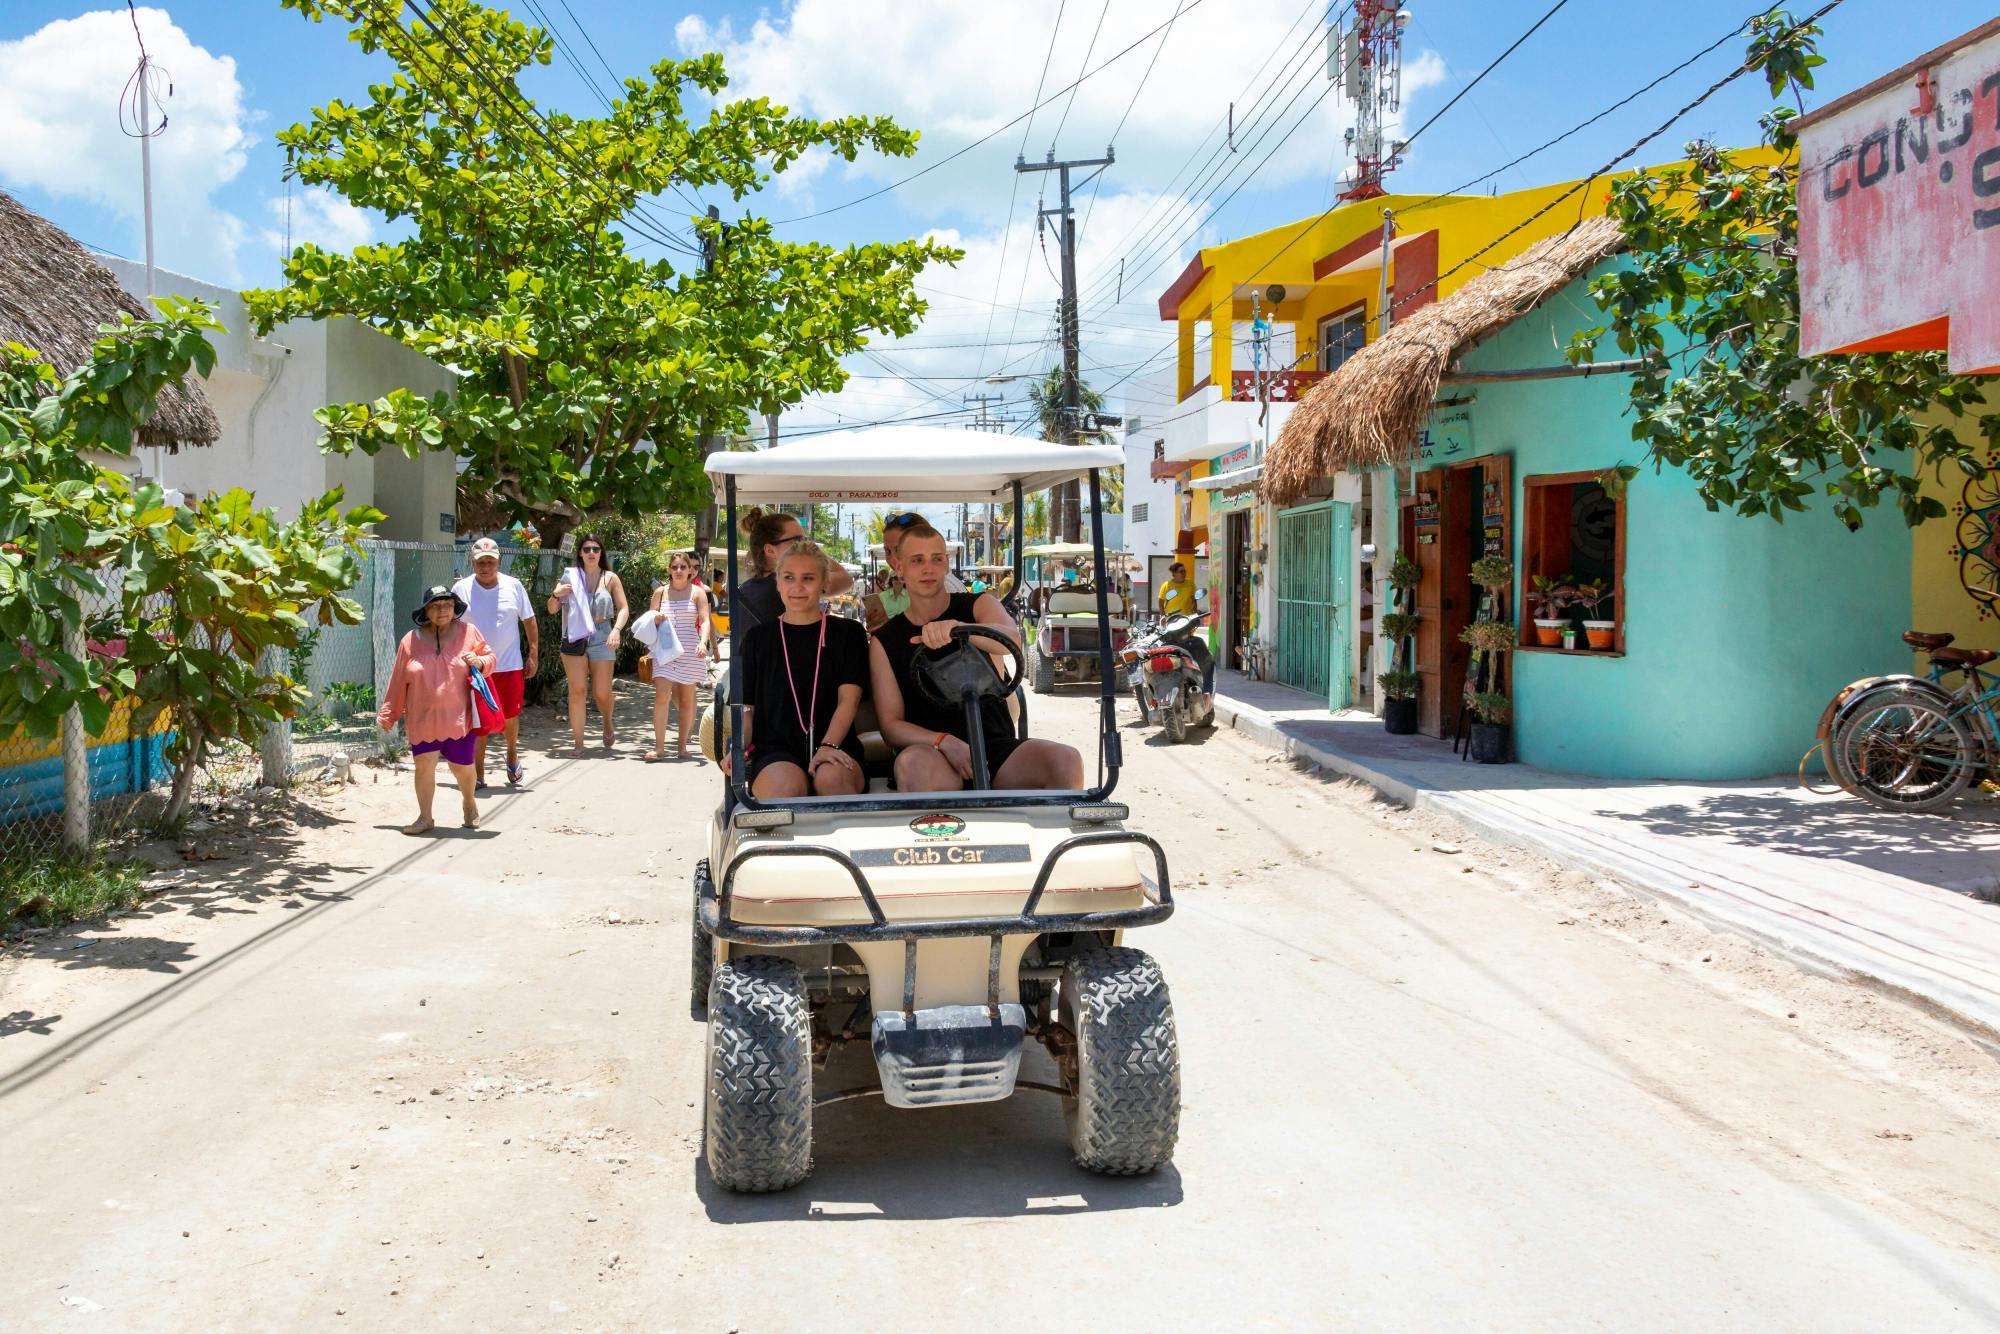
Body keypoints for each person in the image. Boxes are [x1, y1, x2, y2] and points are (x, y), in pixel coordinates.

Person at [868, 522, 1083, 792]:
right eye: (917, 560)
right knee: (912, 764)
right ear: (899, 568)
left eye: (936, 559)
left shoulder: (979, 605)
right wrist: (944, 741)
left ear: (946, 564)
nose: (928, 568)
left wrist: (960, 630)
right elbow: (890, 726)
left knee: (1066, 760)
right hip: (934, 753)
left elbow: (1011, 641)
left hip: (994, 747)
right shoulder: (885, 640)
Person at [733, 541, 868, 798]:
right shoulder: (758, 638)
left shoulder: (848, 634)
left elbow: (848, 700)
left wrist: (828, 745)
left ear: (824, 584)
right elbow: (747, 709)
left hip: (837, 744)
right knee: (783, 788)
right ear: (778, 583)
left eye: (808, 578)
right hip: (774, 749)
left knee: (832, 780)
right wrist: (738, 748)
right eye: (788, 578)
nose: (797, 587)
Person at [378, 585, 496, 835]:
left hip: (459, 718)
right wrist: (389, 714)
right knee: (424, 766)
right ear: (426, 611)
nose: (442, 610)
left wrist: (480, 661)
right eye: (436, 605)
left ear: (455, 609)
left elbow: (490, 659)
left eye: (447, 605)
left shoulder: (469, 633)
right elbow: (398, 680)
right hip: (422, 718)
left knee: (462, 768)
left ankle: (468, 802)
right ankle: (425, 817)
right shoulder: (410, 641)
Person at [452, 537, 537, 788]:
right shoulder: (461, 589)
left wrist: (533, 654)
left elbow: (529, 620)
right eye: (480, 562)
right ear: (473, 562)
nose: (485, 567)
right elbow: (450, 625)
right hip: (475, 667)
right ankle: (478, 775)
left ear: (498, 562)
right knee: (479, 721)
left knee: (510, 715)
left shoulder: (514, 586)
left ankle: (511, 754)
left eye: (490, 562)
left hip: (509, 665)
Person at [548, 533, 628, 754]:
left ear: (601, 553)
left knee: (602, 693)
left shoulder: (610, 578)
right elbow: (552, 609)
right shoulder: (569, 578)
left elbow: (623, 608)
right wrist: (556, 595)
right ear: (580, 554)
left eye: (595, 549)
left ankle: (607, 722)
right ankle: (578, 743)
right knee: (578, 691)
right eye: (586, 549)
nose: (591, 553)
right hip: (575, 636)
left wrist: (616, 630)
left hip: (603, 635)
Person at [732, 509, 855, 639]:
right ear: (769, 550)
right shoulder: (791, 586)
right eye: (797, 541)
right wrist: (812, 553)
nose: (804, 545)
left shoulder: (746, 589)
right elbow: (845, 579)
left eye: (805, 541)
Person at [647, 550, 715, 762]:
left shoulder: (698, 593)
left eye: (682, 567)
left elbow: (705, 621)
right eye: (675, 567)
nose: (678, 570)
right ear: (669, 570)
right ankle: (659, 748)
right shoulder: (660, 592)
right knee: (661, 696)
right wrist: (656, 619)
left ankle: (682, 746)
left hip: (689, 650)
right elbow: (649, 621)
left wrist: (704, 643)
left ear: (689, 571)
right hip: (664, 651)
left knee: (686, 701)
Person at [863, 511, 965, 632]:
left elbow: (944, 637)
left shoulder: (943, 584)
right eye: (888, 551)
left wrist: (890, 628)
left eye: (898, 549)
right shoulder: (897, 576)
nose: (891, 558)